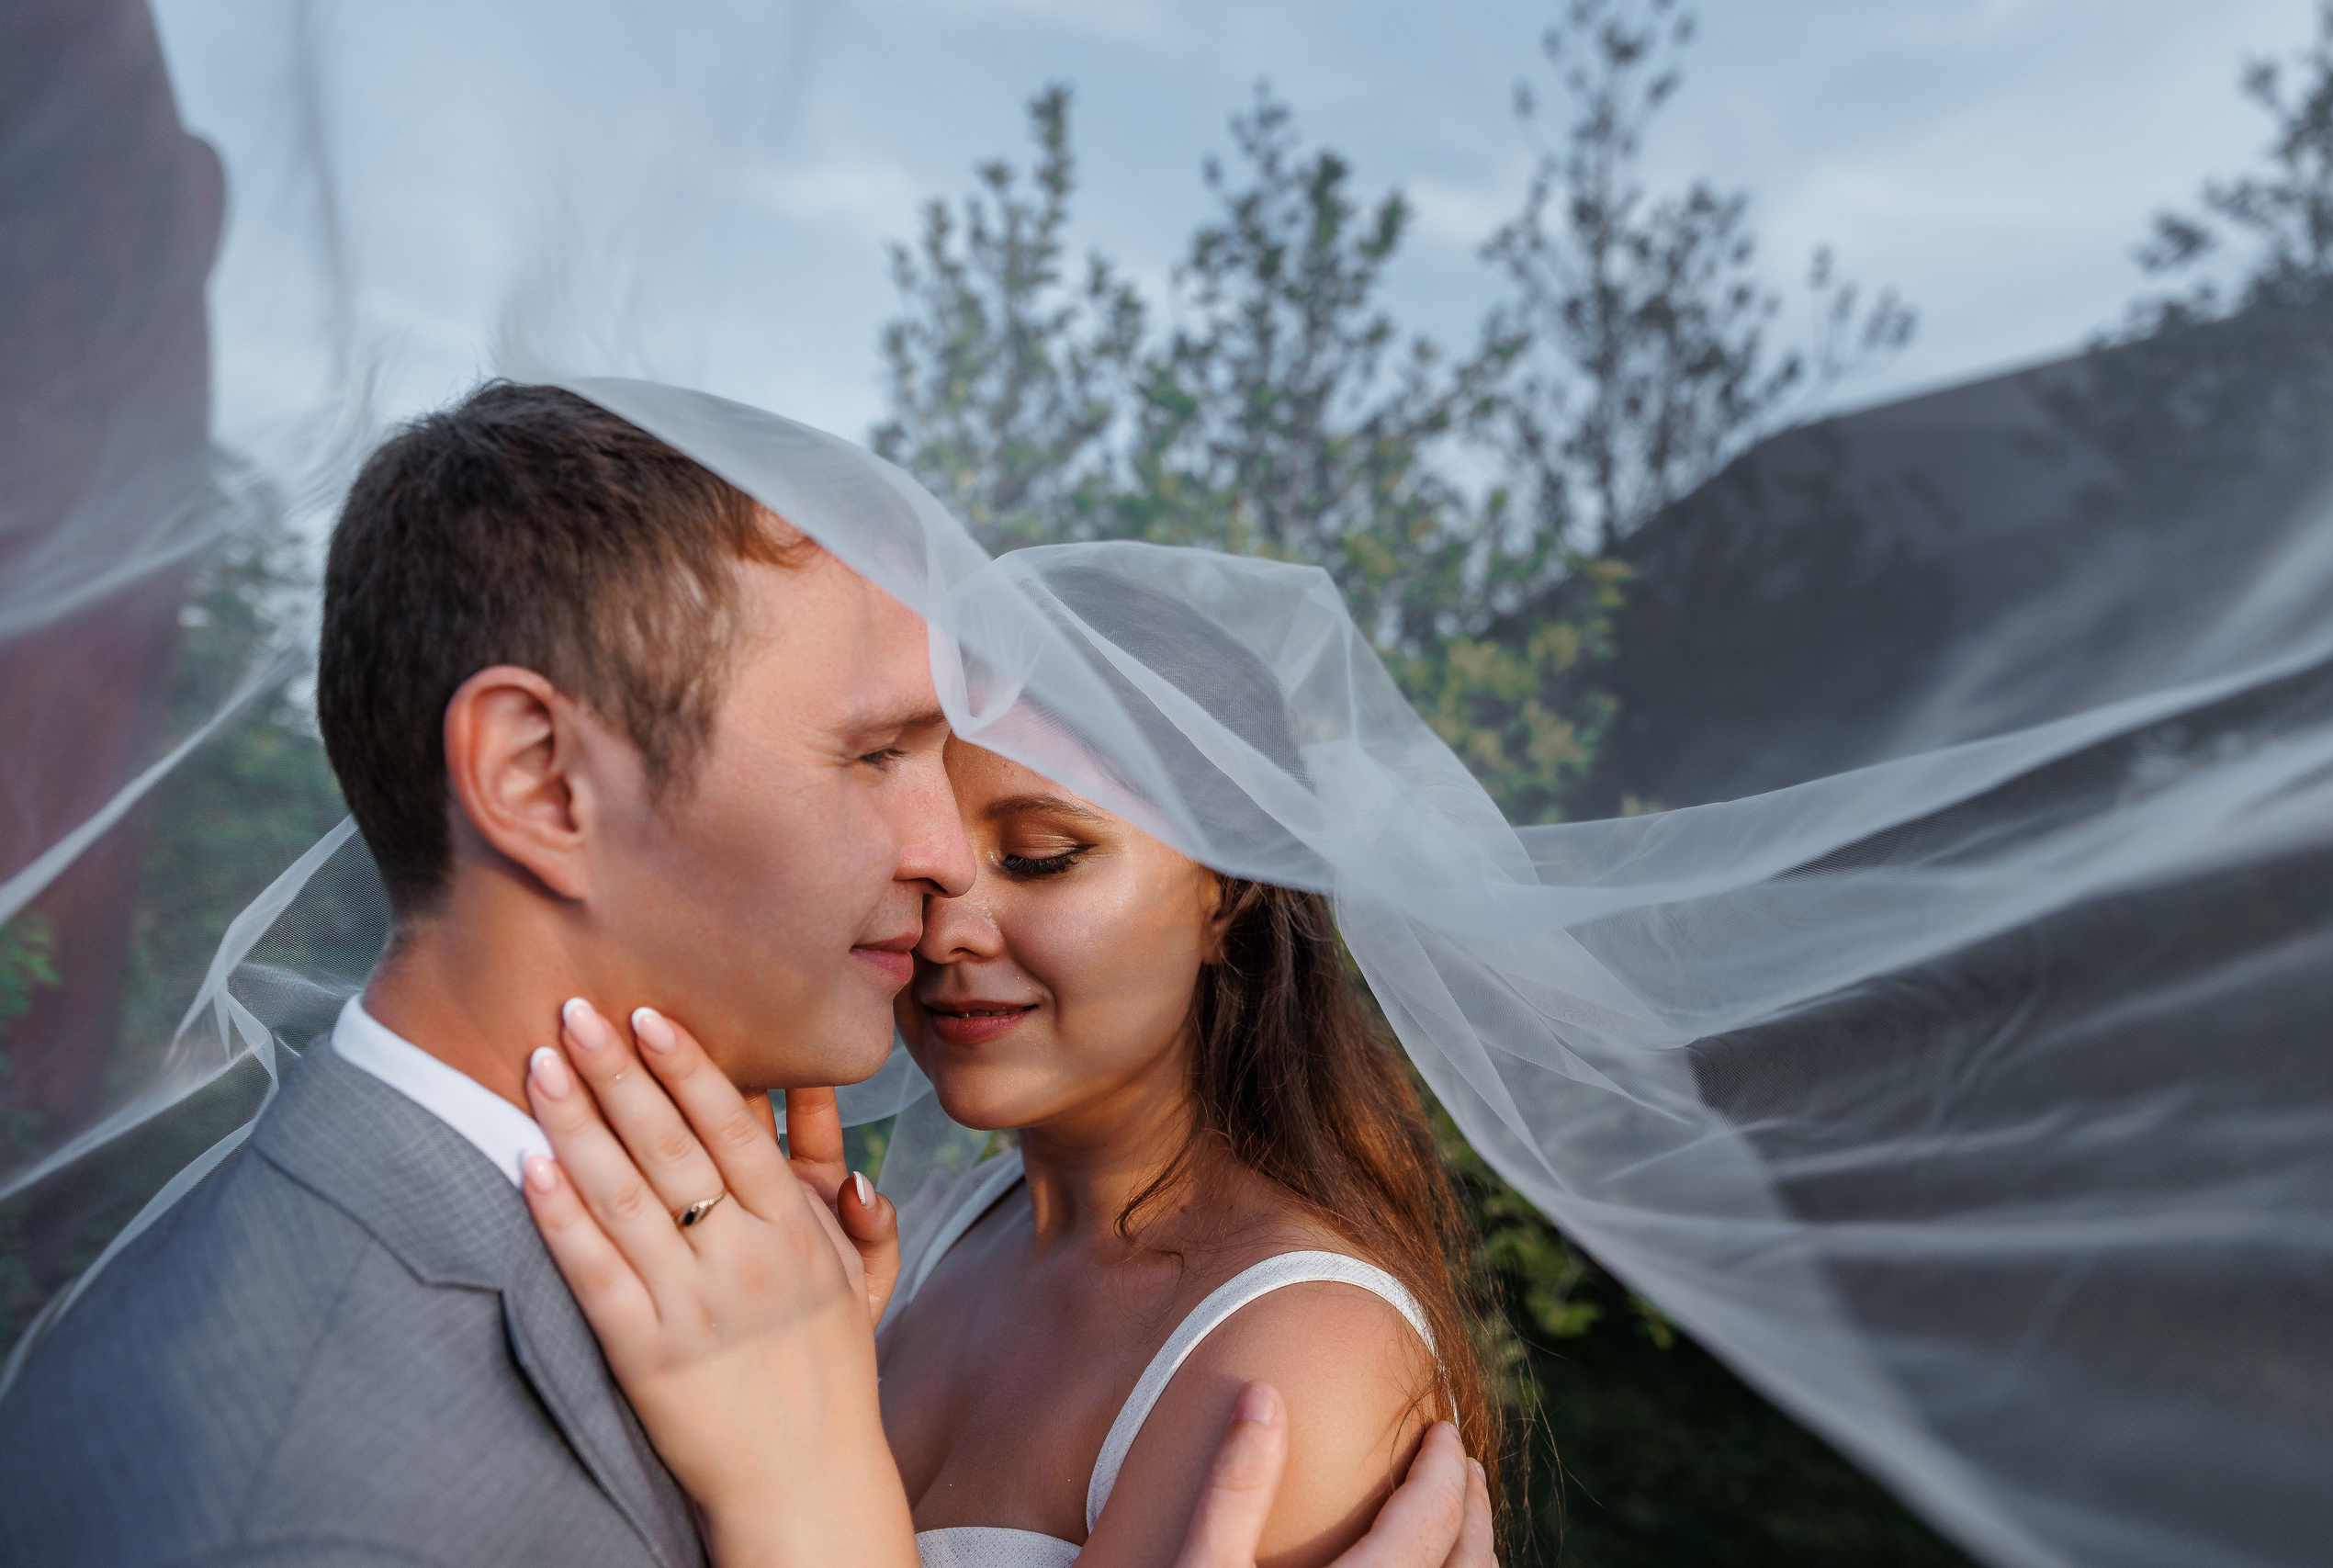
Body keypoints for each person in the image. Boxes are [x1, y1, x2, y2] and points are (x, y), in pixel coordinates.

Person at [0, 383, 1492, 1568]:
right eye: (878, 756)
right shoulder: (314, 1500)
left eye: (1033, 845)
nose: (942, 871)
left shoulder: (708, 1267)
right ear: (539, 779)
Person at [519, 621, 1504, 1566]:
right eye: (915, 869)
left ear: (1229, 890)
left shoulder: (1297, 1360)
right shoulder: (927, 1240)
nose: (947, 932)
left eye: (1041, 857)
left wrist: (784, 1457)